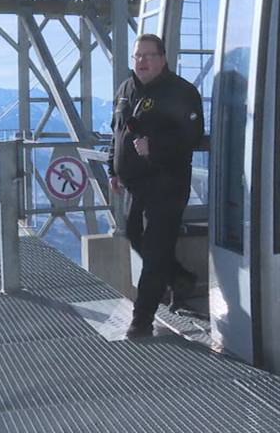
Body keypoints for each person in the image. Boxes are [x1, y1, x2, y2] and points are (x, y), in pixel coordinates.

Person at [108, 33, 204, 339]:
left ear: (162, 59)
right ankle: (179, 278)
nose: (142, 61)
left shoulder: (180, 92)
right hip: (134, 184)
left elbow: (192, 135)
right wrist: (113, 168)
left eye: (149, 55)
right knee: (133, 234)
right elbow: (117, 131)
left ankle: (142, 319)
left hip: (167, 183)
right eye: (138, 56)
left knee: (155, 248)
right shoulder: (126, 89)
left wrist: (156, 147)